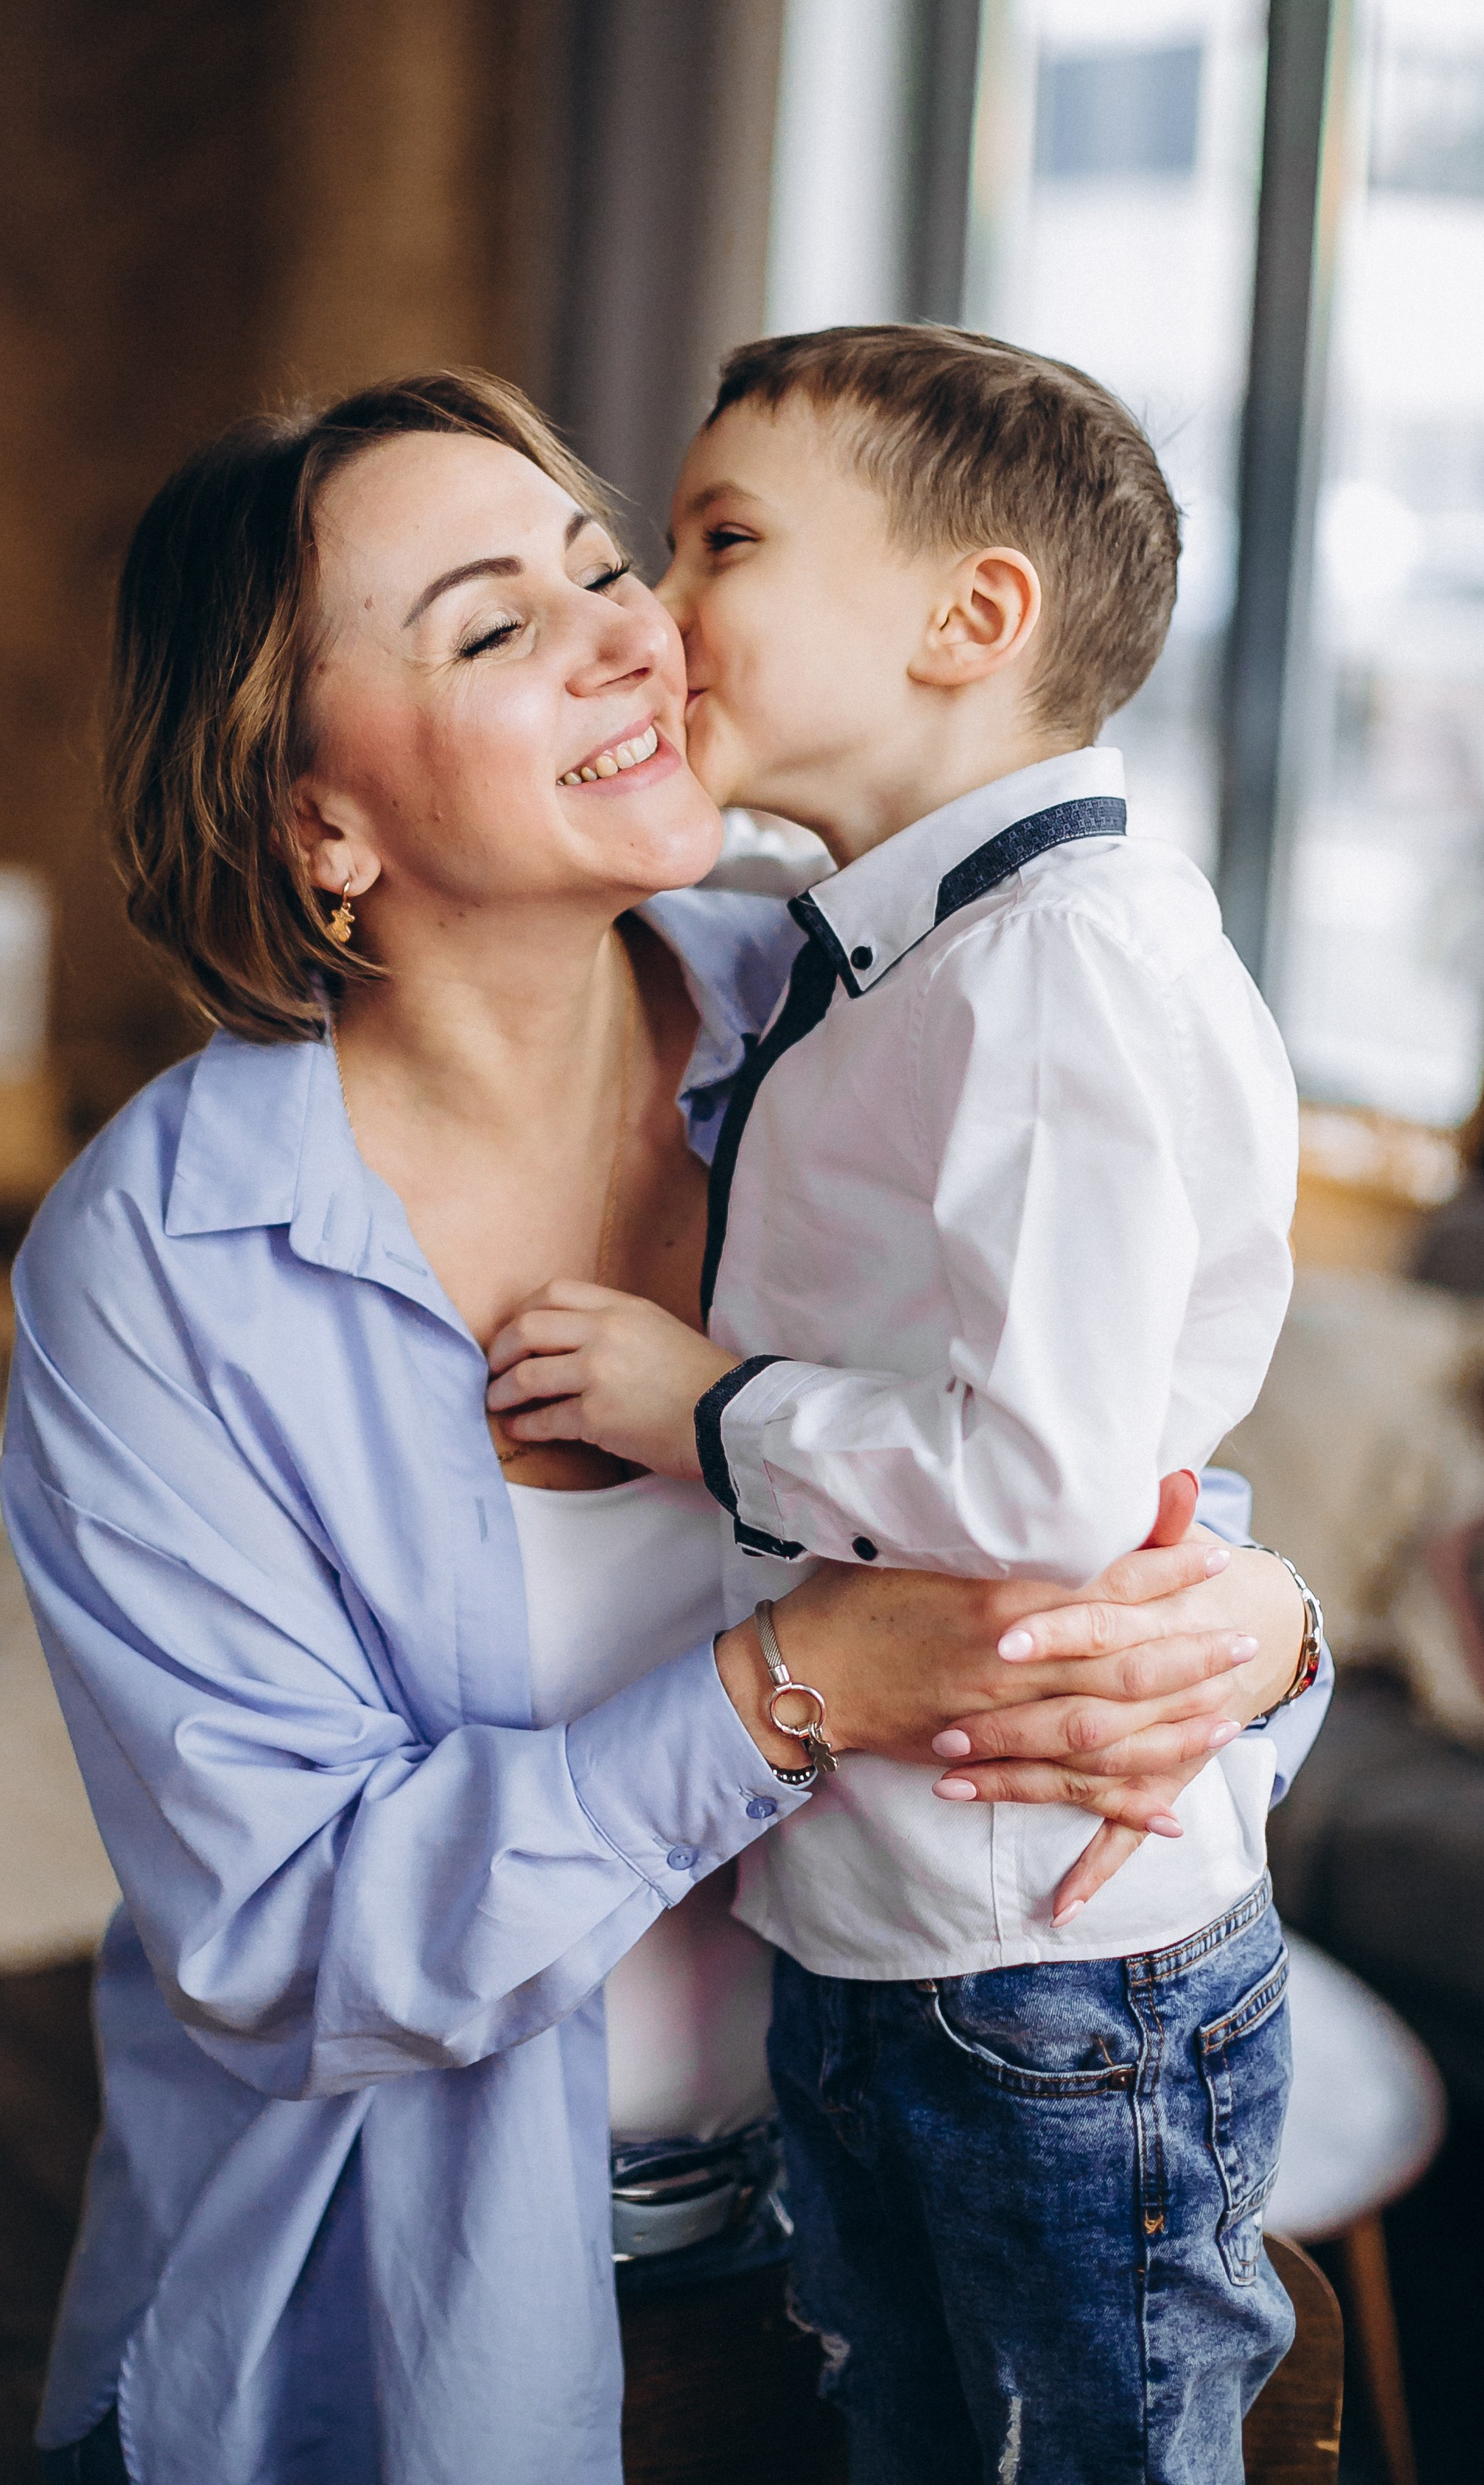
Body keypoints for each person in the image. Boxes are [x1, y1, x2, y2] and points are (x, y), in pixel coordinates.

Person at [1, 368, 1323, 2485]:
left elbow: (1113, 1457)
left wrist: (1257, 1634)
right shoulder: (161, 1265)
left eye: (614, 565)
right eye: (493, 625)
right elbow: (283, 1942)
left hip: (925, 2199)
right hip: (418, 2319)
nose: (633, 629)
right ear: (317, 816)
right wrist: (792, 1687)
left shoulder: (893, 1003)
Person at [487, 326, 1320, 2484]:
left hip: (1036, 1968)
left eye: (723, 540)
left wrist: (707, 1408)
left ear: (974, 620)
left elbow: (1048, 1478)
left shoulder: (1060, 973)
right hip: (878, 1925)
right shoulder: (868, 951)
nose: (653, 613)